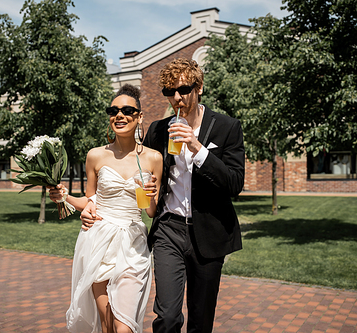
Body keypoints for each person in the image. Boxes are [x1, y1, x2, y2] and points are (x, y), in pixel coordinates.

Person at [81, 58, 245, 333]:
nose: (176, 98)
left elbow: (234, 183)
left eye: (183, 89)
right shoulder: (158, 130)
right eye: (169, 92)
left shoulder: (226, 127)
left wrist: (197, 148)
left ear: (199, 87)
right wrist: (92, 204)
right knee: (167, 317)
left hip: (209, 231)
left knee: (200, 320)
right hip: (169, 228)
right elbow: (132, 165)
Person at [49, 84, 163, 333]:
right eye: (113, 110)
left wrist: (152, 195)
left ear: (139, 116)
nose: (119, 115)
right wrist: (63, 196)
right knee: (107, 323)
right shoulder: (96, 155)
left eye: (127, 110)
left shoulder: (154, 158)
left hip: (133, 243)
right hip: (99, 241)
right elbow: (91, 201)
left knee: (124, 327)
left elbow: (152, 212)